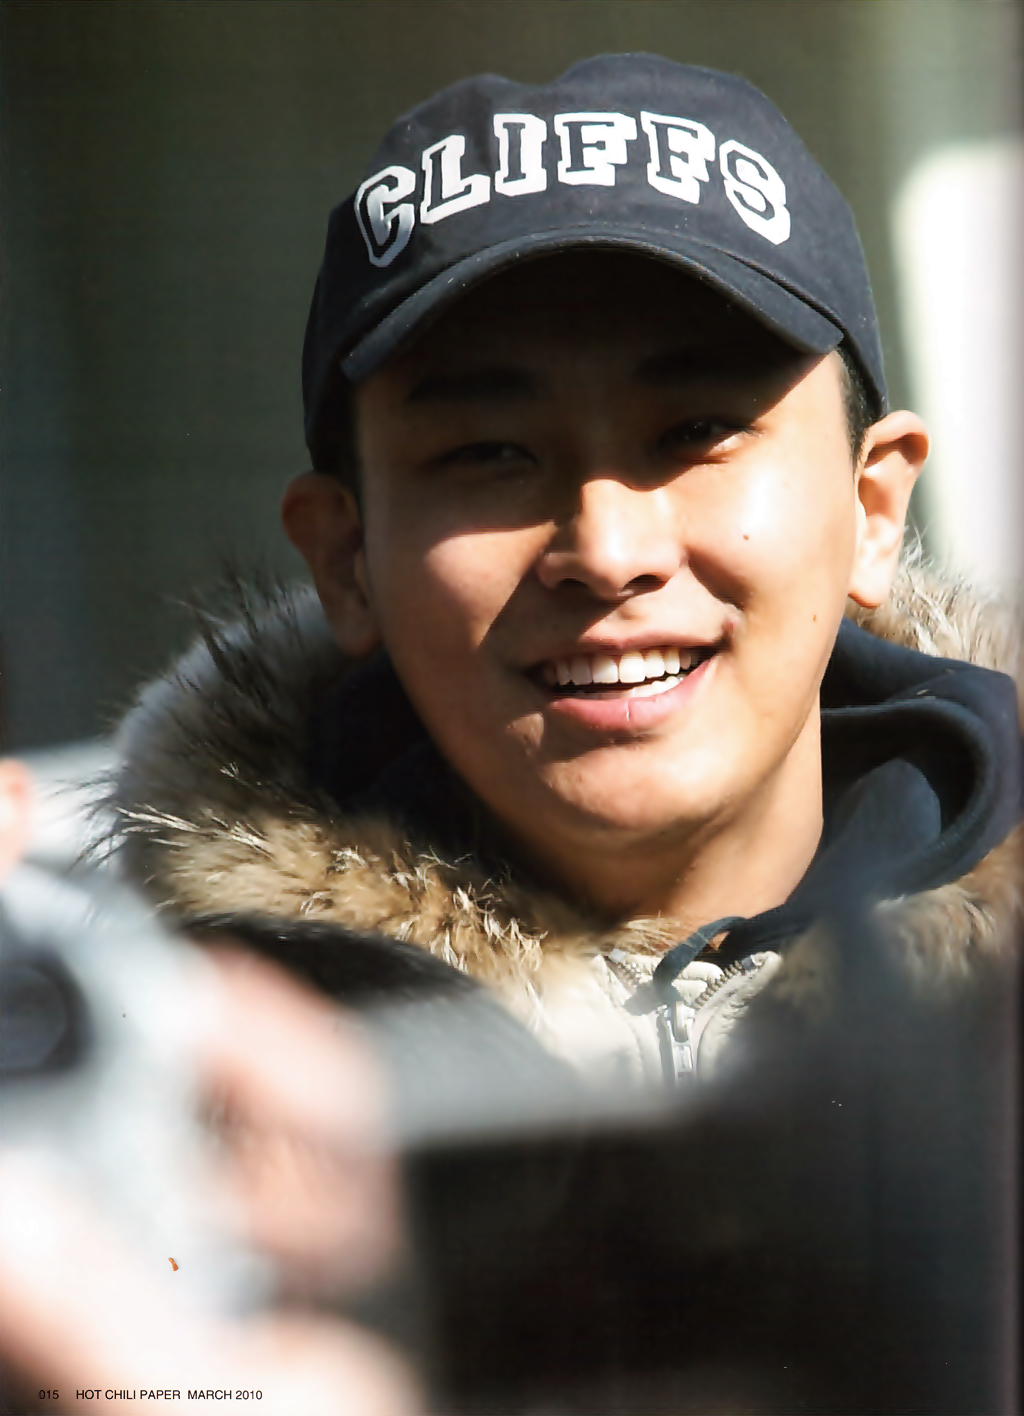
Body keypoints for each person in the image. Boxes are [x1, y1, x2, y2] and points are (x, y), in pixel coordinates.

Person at [109, 55, 1022, 1086]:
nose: (608, 553)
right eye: (489, 453)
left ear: (872, 509)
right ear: (346, 560)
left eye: (696, 432)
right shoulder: (147, 1078)